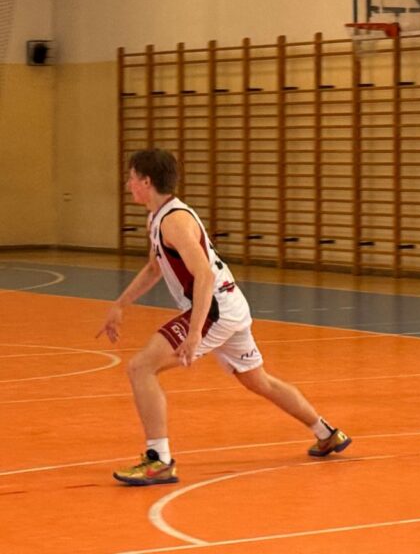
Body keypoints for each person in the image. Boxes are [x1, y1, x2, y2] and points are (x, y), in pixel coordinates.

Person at [97, 149, 351, 485]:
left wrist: (194, 333)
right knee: (258, 381)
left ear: (146, 181)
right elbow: (155, 268)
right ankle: (327, 433)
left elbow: (203, 275)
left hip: (214, 308)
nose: (128, 184)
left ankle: (159, 460)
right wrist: (120, 304)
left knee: (141, 368)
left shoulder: (174, 221)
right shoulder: (158, 218)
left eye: (131, 178)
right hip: (229, 306)